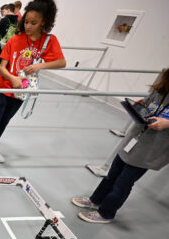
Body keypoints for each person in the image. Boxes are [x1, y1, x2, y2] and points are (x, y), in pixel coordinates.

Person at [0, 0, 66, 166]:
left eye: (34, 23)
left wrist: (40, 66)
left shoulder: (49, 41)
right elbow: (2, 67)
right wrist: (12, 78)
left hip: (22, 90)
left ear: (44, 22)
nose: (28, 26)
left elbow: (61, 62)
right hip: (4, 87)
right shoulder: (15, 40)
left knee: (4, 120)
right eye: (26, 22)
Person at [72, 69, 169, 223]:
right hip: (135, 139)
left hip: (151, 149)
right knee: (112, 174)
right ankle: (96, 200)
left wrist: (167, 123)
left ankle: (106, 213)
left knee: (123, 183)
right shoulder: (161, 87)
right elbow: (150, 102)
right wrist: (140, 105)